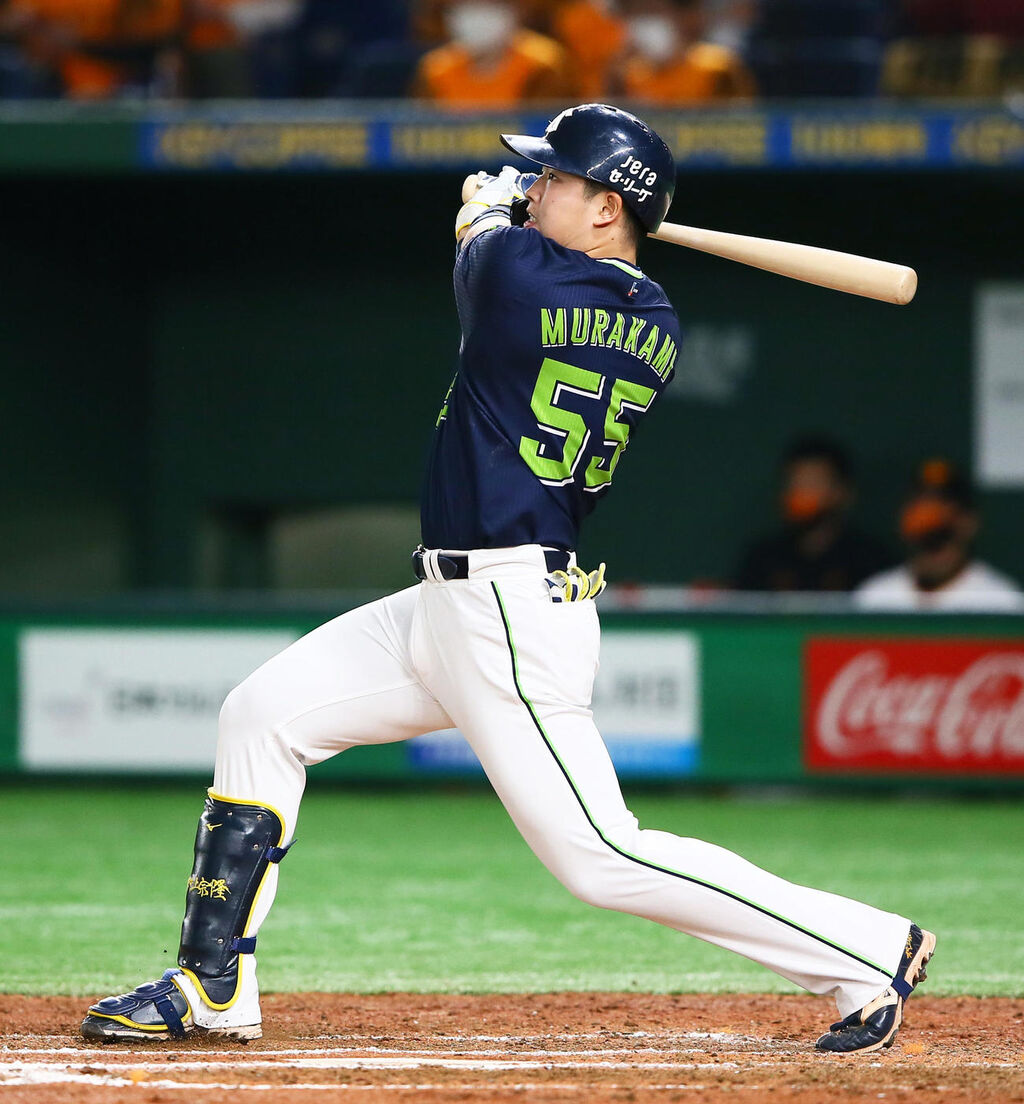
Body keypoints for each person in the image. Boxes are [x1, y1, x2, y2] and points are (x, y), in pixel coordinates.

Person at [81, 103, 934, 1055]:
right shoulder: (652, 314)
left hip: (508, 612)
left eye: (554, 177)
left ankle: (868, 951)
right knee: (262, 715)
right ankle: (212, 983)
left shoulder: (517, 274)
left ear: (608, 207)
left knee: (599, 855)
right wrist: (517, 209)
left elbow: (483, 244)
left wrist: (485, 204)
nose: (532, 187)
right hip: (443, 607)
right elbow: (526, 257)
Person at [854, 458, 1023, 612]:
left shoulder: (1002, 603)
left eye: (942, 534)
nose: (932, 517)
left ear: (969, 522)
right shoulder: (874, 598)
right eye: (921, 505)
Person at [734, 435, 894, 593]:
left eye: (813, 484)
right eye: (795, 484)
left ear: (843, 492)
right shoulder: (762, 559)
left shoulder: (871, 560)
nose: (802, 494)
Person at [411, 0, 570, 106]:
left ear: (513, 10)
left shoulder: (543, 64)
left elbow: (545, 128)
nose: (477, 15)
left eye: (487, 5)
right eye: (468, 6)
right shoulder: (436, 68)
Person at [613, 0, 756, 104]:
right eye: (641, 12)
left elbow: (745, 119)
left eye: (654, 11)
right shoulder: (629, 73)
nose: (647, 20)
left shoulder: (717, 65)